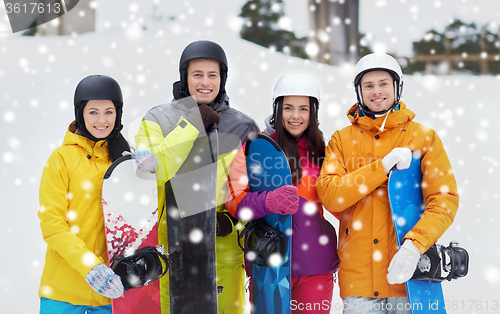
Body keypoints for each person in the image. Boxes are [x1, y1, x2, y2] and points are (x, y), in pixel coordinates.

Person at [316, 53, 459, 313]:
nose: (377, 91)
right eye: (368, 85)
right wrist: (381, 167)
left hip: (410, 276)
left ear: (397, 87)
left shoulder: (423, 137)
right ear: (359, 91)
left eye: (384, 83)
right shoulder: (341, 140)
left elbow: (444, 199)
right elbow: (331, 195)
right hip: (359, 281)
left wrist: (415, 246)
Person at [135, 40, 260, 314]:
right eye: (197, 75)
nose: (205, 82)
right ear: (185, 77)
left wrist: (231, 219)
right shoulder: (157, 119)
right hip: (172, 253)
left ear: (222, 79)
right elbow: (158, 172)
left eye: (212, 75)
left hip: (223, 254)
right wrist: (191, 125)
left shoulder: (243, 126)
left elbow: (250, 190)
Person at [225, 73, 339, 313]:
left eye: (303, 109)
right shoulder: (256, 148)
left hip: (315, 267)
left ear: (313, 112)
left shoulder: (325, 151)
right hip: (268, 262)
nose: (295, 116)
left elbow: (340, 204)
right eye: (288, 108)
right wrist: (267, 201)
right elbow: (234, 202)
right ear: (277, 109)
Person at [38, 75, 131, 313]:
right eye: (93, 112)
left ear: (118, 114)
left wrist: (147, 173)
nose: (102, 120)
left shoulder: (123, 160)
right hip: (63, 293)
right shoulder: (61, 159)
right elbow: (53, 226)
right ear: (80, 114)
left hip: (111, 293)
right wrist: (90, 266)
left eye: (109, 112)